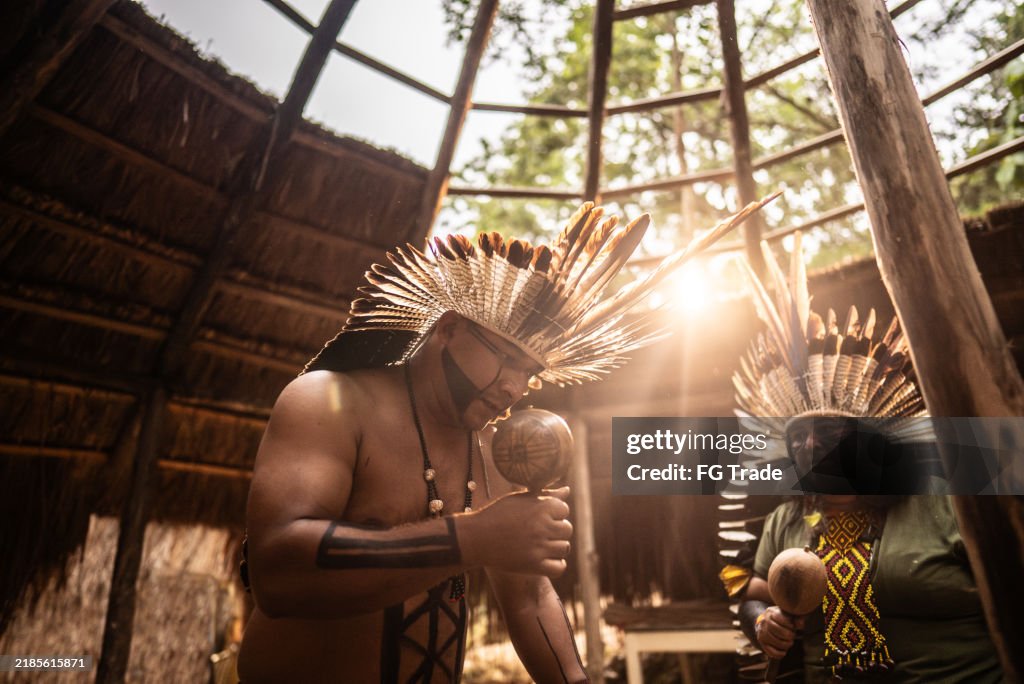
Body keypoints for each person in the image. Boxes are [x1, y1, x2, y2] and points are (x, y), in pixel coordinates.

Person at [238, 199, 772, 682]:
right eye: (507, 359)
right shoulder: (327, 401)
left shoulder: (494, 457)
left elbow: (528, 597)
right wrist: (471, 539)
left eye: (531, 373)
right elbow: (278, 571)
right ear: (447, 327)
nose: (516, 387)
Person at [725, 236, 1003, 682]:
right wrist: (762, 620)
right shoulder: (785, 520)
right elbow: (754, 594)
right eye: (798, 439)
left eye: (829, 434)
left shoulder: (946, 503)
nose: (809, 448)